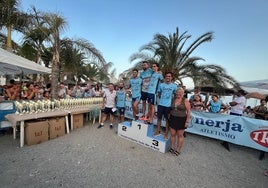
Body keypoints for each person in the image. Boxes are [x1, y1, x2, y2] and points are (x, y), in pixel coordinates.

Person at [169, 88, 191, 156]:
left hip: (181, 119)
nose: (178, 93)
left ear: (183, 93)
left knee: (180, 135)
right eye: (177, 92)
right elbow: (170, 108)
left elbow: (189, 111)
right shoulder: (173, 99)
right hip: (173, 118)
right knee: (172, 134)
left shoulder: (185, 100)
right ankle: (172, 148)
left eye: (180, 92)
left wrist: (187, 121)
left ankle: (178, 149)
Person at [155, 72, 177, 139]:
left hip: (168, 106)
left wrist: (172, 103)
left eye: (169, 76)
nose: (168, 77)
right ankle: (158, 131)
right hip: (161, 104)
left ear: (171, 78)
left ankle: (166, 133)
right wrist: (162, 99)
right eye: (167, 76)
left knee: (167, 120)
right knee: (159, 119)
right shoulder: (161, 85)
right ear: (165, 77)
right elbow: (159, 93)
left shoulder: (174, 86)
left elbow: (175, 95)